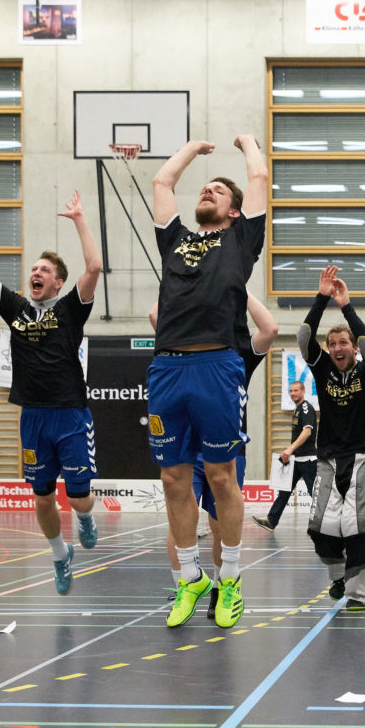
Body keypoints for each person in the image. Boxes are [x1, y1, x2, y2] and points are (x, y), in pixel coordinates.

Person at [0, 189, 102, 595]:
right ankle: (60, 555)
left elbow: (94, 266)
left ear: (56, 281)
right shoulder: (17, 308)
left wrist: (79, 219)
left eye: (44, 270)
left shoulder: (70, 309)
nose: (35, 273)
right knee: (41, 498)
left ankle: (86, 520)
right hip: (34, 416)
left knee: (78, 499)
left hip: (71, 414)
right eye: (33, 269)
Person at [149, 135, 267, 628]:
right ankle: (190, 580)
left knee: (220, 477)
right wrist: (192, 149)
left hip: (217, 365)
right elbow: (161, 180)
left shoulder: (240, 241)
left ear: (235, 212)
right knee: (174, 478)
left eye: (220, 191)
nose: (209, 190)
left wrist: (246, 145)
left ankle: (231, 579)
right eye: (207, 187)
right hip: (166, 368)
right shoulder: (175, 239)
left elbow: (259, 178)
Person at [156, 296, 277, 624]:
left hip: (227, 447)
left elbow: (271, 328)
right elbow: (157, 316)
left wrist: (237, 287)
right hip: (187, 446)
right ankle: (184, 584)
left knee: (217, 522)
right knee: (180, 513)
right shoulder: (184, 341)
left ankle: (224, 584)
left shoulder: (239, 348)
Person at [301, 267, 365, 610]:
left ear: (354, 349)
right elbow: (303, 337)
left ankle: (356, 594)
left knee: (361, 526)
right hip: (329, 456)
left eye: (343, 344)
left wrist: (347, 306)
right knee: (320, 526)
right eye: (333, 344)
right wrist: (322, 298)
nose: (337, 348)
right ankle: (337, 575)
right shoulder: (322, 369)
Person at [254, 380, 318, 531]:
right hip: (296, 460)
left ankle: (325, 524)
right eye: (291, 391)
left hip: (308, 460)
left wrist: (289, 449)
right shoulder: (297, 409)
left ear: (303, 391)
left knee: (315, 493)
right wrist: (291, 452)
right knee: (284, 491)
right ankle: (271, 521)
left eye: (296, 390)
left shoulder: (306, 408)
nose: (293, 393)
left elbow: (307, 432)